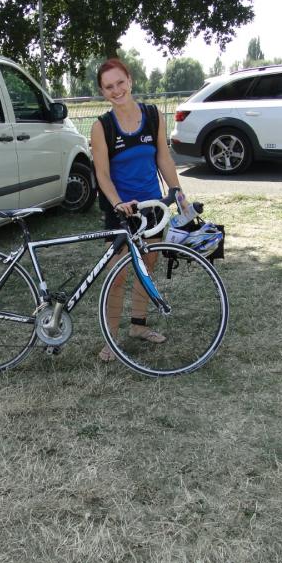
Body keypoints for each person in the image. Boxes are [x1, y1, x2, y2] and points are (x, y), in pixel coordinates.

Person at [90, 58, 183, 362]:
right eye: (109, 86)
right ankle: (111, 339)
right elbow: (102, 174)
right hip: (120, 209)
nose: (116, 90)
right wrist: (118, 203)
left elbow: (164, 158)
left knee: (147, 266)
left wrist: (178, 192)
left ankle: (138, 326)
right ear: (103, 92)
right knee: (116, 276)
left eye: (120, 82)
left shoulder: (153, 115)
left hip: (151, 207)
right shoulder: (101, 127)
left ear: (130, 81)